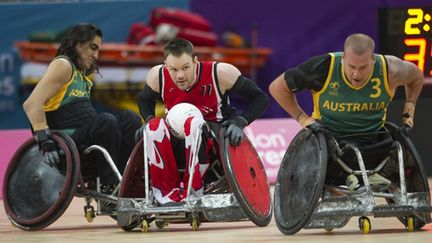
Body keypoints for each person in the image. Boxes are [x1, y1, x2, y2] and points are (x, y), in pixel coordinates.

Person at [269, 33, 424, 190]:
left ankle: (371, 175)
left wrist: (408, 111)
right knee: (333, 147)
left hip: (373, 144)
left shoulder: (390, 69)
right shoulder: (324, 67)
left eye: (363, 67)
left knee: (392, 142)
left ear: (373, 59)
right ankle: (349, 176)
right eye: (351, 66)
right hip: (331, 143)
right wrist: (302, 118)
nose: (356, 74)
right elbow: (277, 87)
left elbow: (417, 76)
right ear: (343, 58)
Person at [136, 38, 269, 205]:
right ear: (165, 65)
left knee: (194, 125)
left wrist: (240, 122)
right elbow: (144, 100)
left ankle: (194, 189)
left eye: (185, 67)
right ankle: (165, 193)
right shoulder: (158, 75)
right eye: (173, 69)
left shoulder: (220, 73)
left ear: (195, 61)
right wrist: (148, 120)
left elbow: (260, 98)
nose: (180, 75)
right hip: (177, 132)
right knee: (154, 127)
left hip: (213, 132)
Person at [23, 23, 141, 196]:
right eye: (93, 48)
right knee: (106, 121)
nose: (96, 55)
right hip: (67, 142)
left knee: (130, 118)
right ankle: (109, 187)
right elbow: (32, 104)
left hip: (87, 138)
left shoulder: (83, 76)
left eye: (98, 50)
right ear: (77, 44)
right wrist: (45, 141)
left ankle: (126, 181)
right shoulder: (64, 64)